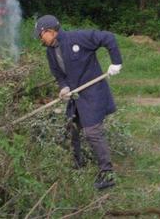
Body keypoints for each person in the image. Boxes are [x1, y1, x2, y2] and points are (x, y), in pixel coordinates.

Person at [34, 15, 123, 190]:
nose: (39, 38)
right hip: (76, 96)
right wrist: (64, 87)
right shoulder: (50, 51)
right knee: (72, 127)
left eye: (40, 34)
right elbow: (58, 75)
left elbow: (108, 38)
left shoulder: (78, 38)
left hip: (93, 92)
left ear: (50, 31)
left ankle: (108, 173)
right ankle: (77, 162)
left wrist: (116, 63)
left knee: (92, 132)